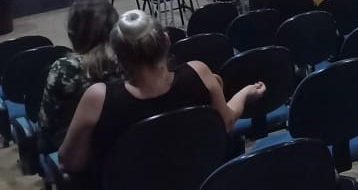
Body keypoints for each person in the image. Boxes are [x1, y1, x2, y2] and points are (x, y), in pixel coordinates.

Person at [59, 10, 265, 187]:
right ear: (166, 40)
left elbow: (70, 163)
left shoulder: (97, 98)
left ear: (117, 55)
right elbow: (226, 122)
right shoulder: (199, 72)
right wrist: (245, 94)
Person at [39, 0, 122, 152]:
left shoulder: (64, 68)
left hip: (78, 153)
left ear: (73, 32)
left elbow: (46, 124)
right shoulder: (129, 59)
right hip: (123, 142)